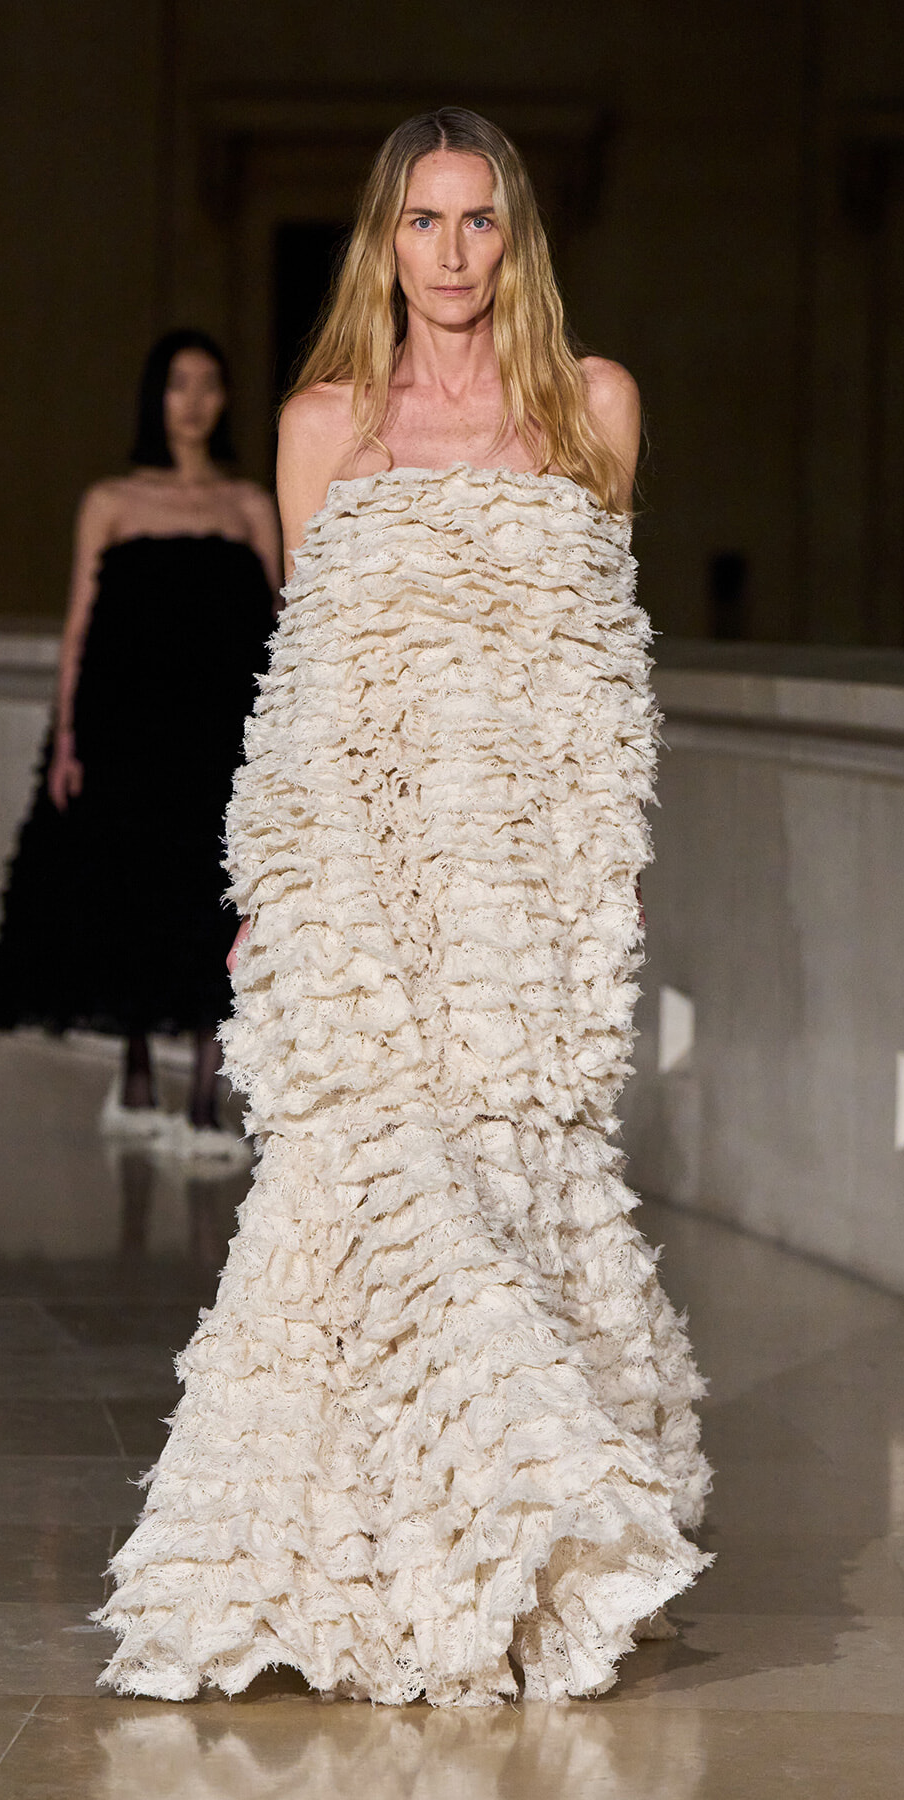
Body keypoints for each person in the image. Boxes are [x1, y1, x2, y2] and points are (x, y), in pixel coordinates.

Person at [97, 108, 710, 1704]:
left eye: (479, 220)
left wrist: (612, 871)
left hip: (526, 883)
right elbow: (307, 683)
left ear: (517, 238)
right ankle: (381, 1569)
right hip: (363, 882)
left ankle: (525, 1561)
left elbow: (605, 665)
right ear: (383, 240)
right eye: (424, 221)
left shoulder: (592, 407)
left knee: (518, 1183)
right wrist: (274, 889)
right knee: (378, 1192)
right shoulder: (325, 426)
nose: (451, 252)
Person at [0, 330, 281, 1156]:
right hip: (129, 732)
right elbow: (80, 626)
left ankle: (204, 1103)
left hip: (221, 733)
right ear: (156, 395)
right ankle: (140, 1076)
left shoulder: (249, 506)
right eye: (179, 383)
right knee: (133, 894)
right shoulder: (111, 502)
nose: (194, 400)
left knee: (216, 898)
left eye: (209, 384)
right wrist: (67, 739)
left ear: (225, 400)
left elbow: (280, 623)